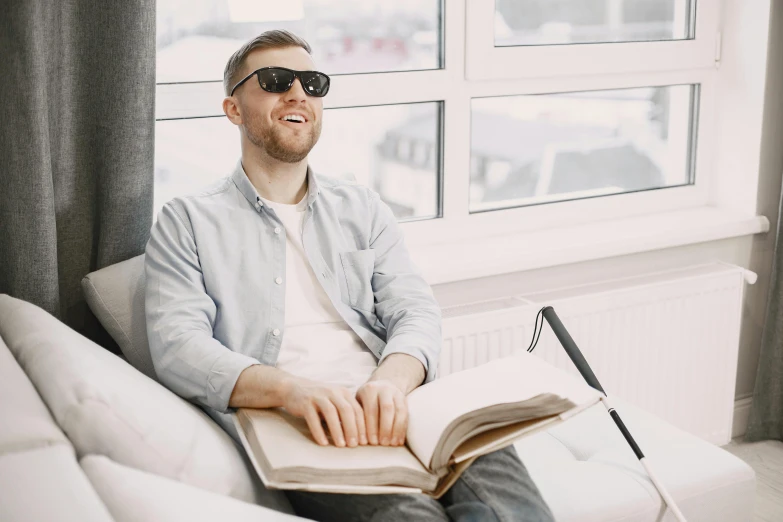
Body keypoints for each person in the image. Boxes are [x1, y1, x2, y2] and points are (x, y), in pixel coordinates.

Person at [144, 29, 555, 522]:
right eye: (276, 80)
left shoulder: (361, 206)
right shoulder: (186, 220)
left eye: (313, 83)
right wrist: (292, 391)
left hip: (403, 401)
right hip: (300, 423)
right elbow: (177, 345)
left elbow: (415, 308)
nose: (299, 93)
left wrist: (392, 381)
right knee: (410, 517)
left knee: (516, 510)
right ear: (233, 108)